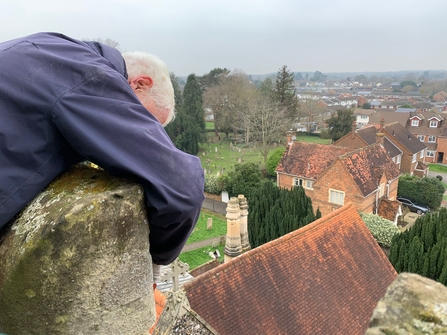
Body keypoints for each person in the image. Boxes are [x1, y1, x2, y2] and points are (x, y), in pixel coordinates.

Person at [0, 32, 205, 277]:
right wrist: (153, 263)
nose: (141, 130)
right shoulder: (90, 77)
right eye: (146, 120)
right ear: (140, 84)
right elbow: (183, 188)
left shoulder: (50, 47)